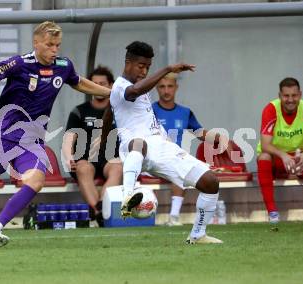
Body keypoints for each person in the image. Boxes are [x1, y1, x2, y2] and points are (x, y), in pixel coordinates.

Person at [0, 21, 111, 250]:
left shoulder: (63, 67)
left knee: (36, 180)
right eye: (49, 45)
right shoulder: (18, 63)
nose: (54, 50)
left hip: (32, 139)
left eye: (57, 45)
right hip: (3, 136)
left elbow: (80, 83)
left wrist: (113, 93)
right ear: (36, 43)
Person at [106, 41, 222, 244]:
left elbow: (110, 108)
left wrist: (104, 133)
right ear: (128, 63)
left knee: (210, 182)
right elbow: (131, 93)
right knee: (139, 143)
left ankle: (198, 234)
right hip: (134, 148)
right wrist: (168, 69)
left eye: (148, 67)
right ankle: (128, 197)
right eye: (141, 66)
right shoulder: (121, 86)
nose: (144, 71)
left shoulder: (133, 90)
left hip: (161, 146)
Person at [152, 73, 229, 226]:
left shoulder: (185, 112)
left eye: (170, 86)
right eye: (162, 87)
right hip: (152, 158)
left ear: (176, 88)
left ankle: (173, 218)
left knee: (182, 169)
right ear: (156, 89)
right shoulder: (150, 110)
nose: (166, 91)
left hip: (173, 159)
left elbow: (200, 133)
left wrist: (222, 139)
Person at [63, 66, 122, 227]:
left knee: (117, 168)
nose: (97, 87)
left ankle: (102, 209)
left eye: (102, 83)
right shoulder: (79, 111)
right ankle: (99, 214)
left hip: (111, 158)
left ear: (111, 86)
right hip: (86, 158)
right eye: (94, 84)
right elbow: (69, 139)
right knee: (83, 168)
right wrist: (68, 157)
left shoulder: (119, 110)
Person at [257, 77, 303, 224]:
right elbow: (265, 144)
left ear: (300, 94)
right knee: (264, 156)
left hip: (300, 158)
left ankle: (299, 173)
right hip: (278, 160)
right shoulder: (271, 109)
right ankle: (273, 213)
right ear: (280, 95)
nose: (290, 100)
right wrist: (284, 155)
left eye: (294, 95)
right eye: (286, 96)